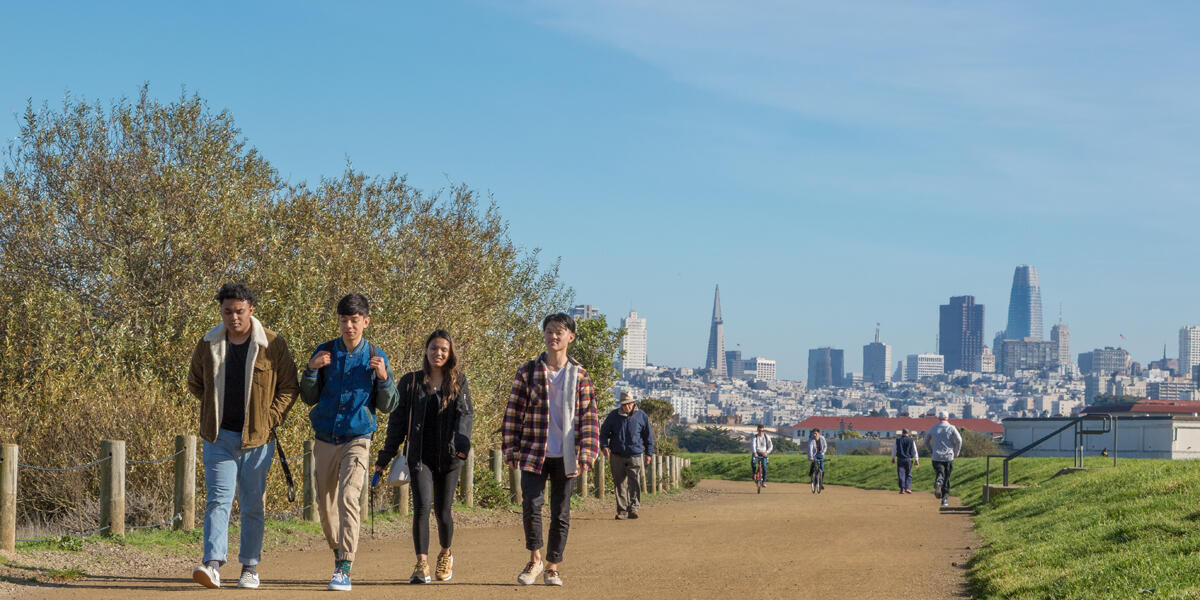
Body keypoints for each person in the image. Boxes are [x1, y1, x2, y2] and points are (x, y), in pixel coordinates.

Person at [187, 283, 300, 590]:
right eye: (227, 312)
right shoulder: (207, 344)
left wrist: (268, 419)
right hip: (218, 437)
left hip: (258, 440)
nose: (233, 317)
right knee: (218, 500)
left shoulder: (273, 344)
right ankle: (212, 565)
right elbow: (195, 384)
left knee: (252, 505)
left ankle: (250, 567)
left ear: (251, 309)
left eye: (239, 311)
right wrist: (214, 409)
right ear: (220, 312)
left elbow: (290, 388)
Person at [299, 293, 399, 591]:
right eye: (344, 320)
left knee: (348, 498)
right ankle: (337, 553)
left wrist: (383, 378)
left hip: (358, 438)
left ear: (365, 322)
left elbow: (389, 405)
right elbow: (308, 397)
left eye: (355, 321)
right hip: (325, 438)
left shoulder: (376, 356)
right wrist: (311, 370)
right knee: (325, 505)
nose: (349, 326)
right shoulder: (324, 351)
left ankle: (345, 565)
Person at [502, 313, 600, 587]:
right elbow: (513, 412)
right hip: (534, 450)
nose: (553, 336)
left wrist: (587, 454)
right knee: (531, 505)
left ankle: (553, 565)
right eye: (549, 331)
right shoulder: (529, 371)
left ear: (571, 337)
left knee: (561, 511)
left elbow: (589, 417)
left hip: (567, 455)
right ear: (544, 335)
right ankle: (535, 559)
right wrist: (510, 448)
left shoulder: (580, 375)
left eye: (559, 332)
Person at [375, 330, 474, 584]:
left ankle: (445, 553)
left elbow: (465, 416)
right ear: (426, 350)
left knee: (443, 511)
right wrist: (385, 458)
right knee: (421, 508)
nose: (438, 353)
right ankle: (421, 564)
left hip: (451, 459)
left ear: (450, 353)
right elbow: (396, 423)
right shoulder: (410, 382)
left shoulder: (459, 382)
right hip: (420, 458)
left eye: (443, 349)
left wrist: (461, 446)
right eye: (433, 348)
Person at [600, 391, 654, 520]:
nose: (626, 407)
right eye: (624, 405)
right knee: (619, 483)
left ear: (633, 403)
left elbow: (648, 436)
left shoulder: (642, 416)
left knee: (634, 482)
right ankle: (622, 510)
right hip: (617, 454)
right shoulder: (613, 415)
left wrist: (649, 453)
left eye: (628, 404)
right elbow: (603, 432)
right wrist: (604, 446)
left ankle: (634, 508)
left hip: (635, 454)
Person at [926, 411, 963, 508]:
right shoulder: (951, 428)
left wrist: (930, 450)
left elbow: (926, 440)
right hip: (948, 456)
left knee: (939, 472)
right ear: (947, 418)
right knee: (946, 477)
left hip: (936, 456)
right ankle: (944, 499)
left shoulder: (933, 428)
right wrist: (956, 452)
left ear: (938, 418)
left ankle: (938, 482)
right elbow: (959, 440)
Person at [891, 429, 919, 494]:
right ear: (908, 433)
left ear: (902, 433)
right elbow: (915, 450)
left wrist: (893, 458)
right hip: (909, 459)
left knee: (901, 474)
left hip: (900, 459)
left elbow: (894, 449)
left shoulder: (897, 441)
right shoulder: (911, 441)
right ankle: (908, 488)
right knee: (908, 474)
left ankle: (902, 489)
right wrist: (916, 459)